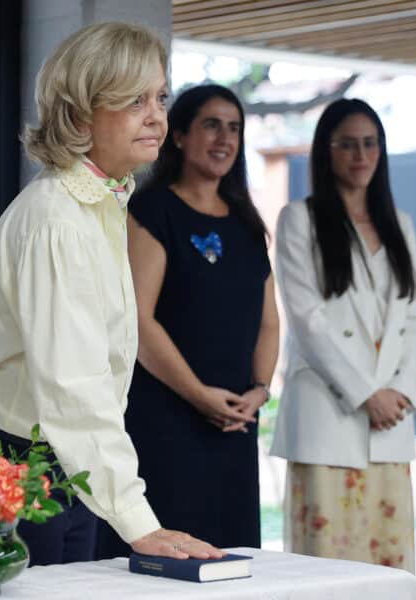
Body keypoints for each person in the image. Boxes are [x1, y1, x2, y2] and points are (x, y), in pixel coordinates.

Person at [0, 22, 224, 566]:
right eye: (133, 100)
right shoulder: (58, 219)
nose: (157, 116)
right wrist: (137, 520)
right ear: (80, 113)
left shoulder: (99, 204)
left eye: (160, 97)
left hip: (64, 465)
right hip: (9, 468)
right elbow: (73, 387)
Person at [94, 84, 280, 559]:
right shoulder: (154, 211)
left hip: (234, 425)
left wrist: (259, 391)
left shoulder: (245, 221)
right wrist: (201, 397)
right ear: (178, 135)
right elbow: (139, 320)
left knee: (232, 562)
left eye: (234, 128)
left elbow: (269, 323)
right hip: (168, 422)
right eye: (211, 125)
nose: (225, 138)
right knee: (166, 563)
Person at [269, 98, 416, 572]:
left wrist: (400, 391)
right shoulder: (299, 219)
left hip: (391, 422)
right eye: (347, 145)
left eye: (370, 144)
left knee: (390, 565)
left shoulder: (400, 225)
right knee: (327, 568)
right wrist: (366, 394)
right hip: (329, 416)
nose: (361, 156)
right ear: (326, 151)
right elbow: (308, 320)